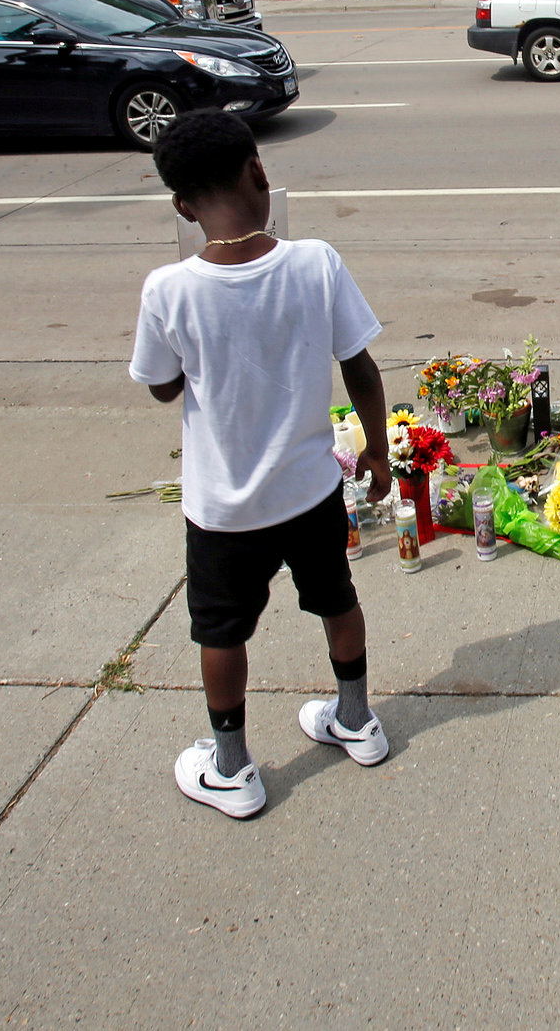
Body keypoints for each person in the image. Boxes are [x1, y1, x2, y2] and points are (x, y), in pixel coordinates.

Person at [129, 110, 393, 819]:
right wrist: (377, 449)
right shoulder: (316, 261)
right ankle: (357, 719)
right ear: (261, 172)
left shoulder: (168, 289)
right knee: (337, 600)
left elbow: (161, 385)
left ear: (182, 206)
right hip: (310, 490)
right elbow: (360, 368)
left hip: (224, 509)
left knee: (222, 633)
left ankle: (233, 766)